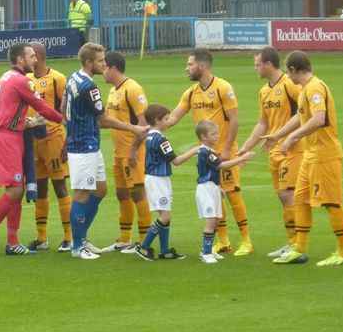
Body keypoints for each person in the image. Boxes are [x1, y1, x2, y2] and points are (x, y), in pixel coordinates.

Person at [261, 51, 343, 266]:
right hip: (311, 156)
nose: (287, 75)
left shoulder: (315, 88)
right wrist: (279, 134)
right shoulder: (304, 90)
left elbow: (319, 119)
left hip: (325, 155)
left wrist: (292, 137)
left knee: (332, 203)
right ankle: (298, 249)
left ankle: (342, 252)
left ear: (293, 69)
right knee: (300, 200)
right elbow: (300, 117)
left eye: (287, 70)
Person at [0, 43, 64, 257]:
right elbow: (42, 106)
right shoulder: (21, 80)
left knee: (17, 189)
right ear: (20, 59)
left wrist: (26, 121)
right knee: (14, 190)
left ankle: (12, 242)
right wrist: (63, 119)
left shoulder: (5, 77)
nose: (36, 60)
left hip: (9, 135)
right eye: (32, 56)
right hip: (8, 138)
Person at [63, 43, 149, 260]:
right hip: (84, 146)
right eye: (100, 61)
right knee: (81, 194)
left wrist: (70, 127)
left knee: (100, 190)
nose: (104, 64)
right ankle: (77, 245)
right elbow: (103, 119)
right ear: (88, 62)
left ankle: (81, 238)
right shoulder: (89, 87)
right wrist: (133, 127)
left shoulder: (73, 78)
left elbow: (63, 106)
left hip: (88, 143)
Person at [167, 48, 252, 256]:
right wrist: (149, 127)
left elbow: (234, 120)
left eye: (190, 64)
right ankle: (223, 240)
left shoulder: (223, 87)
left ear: (202, 66)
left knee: (232, 194)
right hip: (206, 155)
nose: (187, 68)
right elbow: (172, 118)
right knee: (216, 196)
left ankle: (246, 241)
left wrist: (225, 149)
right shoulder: (191, 93)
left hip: (224, 151)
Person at [237, 47, 304, 258]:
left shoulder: (289, 85)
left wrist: (288, 136)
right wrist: (245, 147)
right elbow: (263, 123)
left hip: (292, 148)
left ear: (268, 64)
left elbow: (305, 111)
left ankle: (297, 245)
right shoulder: (264, 91)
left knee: (288, 195)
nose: (255, 68)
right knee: (282, 197)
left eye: (257, 64)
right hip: (275, 150)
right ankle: (291, 242)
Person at [129, 104, 199, 261]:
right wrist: (194, 150)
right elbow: (177, 161)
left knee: (165, 214)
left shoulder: (149, 136)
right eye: (166, 119)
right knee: (165, 216)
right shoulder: (161, 140)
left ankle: (165, 250)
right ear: (157, 120)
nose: (169, 121)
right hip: (158, 179)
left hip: (155, 178)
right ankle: (143, 246)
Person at [100, 51, 152, 252]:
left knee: (138, 194)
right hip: (118, 153)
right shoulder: (113, 91)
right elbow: (109, 122)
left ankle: (143, 241)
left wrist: (133, 150)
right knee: (122, 195)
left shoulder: (133, 88)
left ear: (113, 68)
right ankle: (124, 239)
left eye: (104, 67)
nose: (102, 71)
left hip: (133, 153)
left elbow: (144, 123)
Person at [25, 41, 72, 252]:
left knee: (59, 186)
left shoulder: (58, 78)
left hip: (53, 137)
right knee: (39, 187)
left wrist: (68, 141)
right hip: (32, 139)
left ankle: (69, 237)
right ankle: (42, 238)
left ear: (38, 56)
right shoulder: (25, 79)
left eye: (30, 55)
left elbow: (68, 111)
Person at [195, 121, 256, 263]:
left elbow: (214, 170)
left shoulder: (209, 151)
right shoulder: (205, 152)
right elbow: (221, 165)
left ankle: (209, 250)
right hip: (206, 189)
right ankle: (205, 252)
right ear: (203, 137)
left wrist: (219, 187)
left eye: (217, 133)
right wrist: (241, 158)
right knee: (211, 220)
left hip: (213, 187)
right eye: (213, 134)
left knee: (216, 219)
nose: (217, 136)